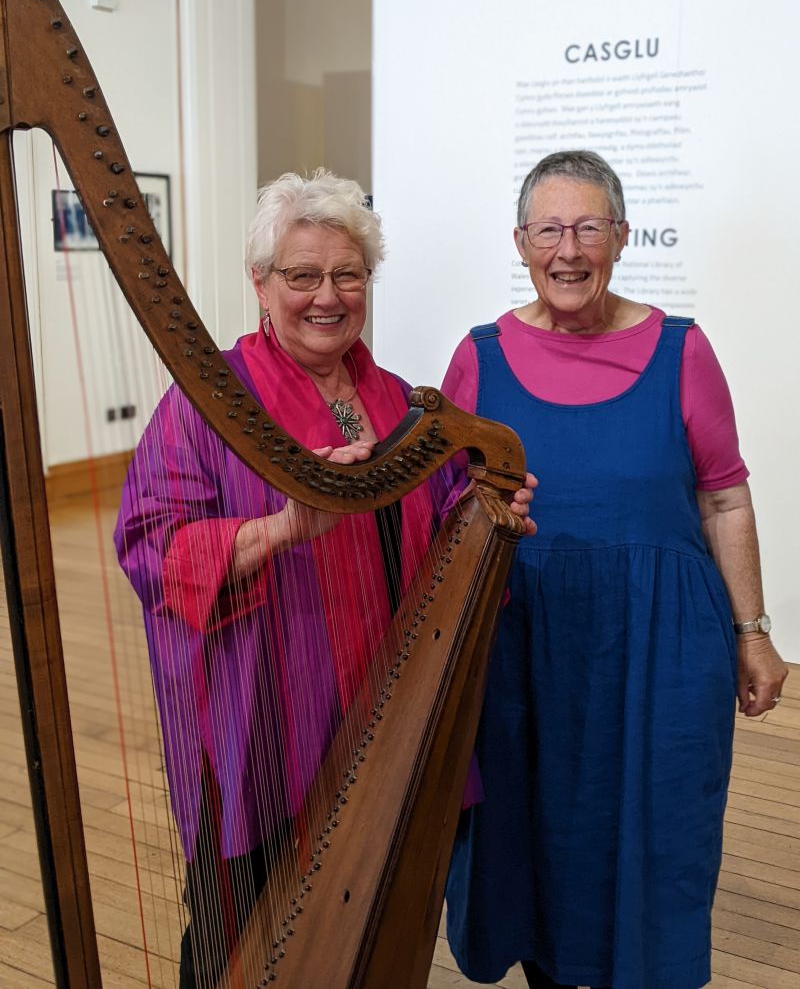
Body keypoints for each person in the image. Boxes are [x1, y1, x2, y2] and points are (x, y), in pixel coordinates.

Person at [114, 169, 534, 988]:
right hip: (267, 717)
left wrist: (496, 504)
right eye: (302, 275)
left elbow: (451, 514)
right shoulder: (208, 404)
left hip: (385, 702)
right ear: (261, 283)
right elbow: (151, 548)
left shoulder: (396, 402)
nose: (327, 296)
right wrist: (280, 527)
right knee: (235, 931)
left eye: (348, 274)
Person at [442, 150, 788, 989]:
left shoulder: (683, 349)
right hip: (525, 650)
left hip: (659, 655)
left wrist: (753, 632)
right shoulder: (478, 358)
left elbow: (726, 499)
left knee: (658, 831)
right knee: (537, 834)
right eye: (550, 229)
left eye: (589, 226)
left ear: (623, 236)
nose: (569, 249)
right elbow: (445, 510)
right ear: (521, 241)